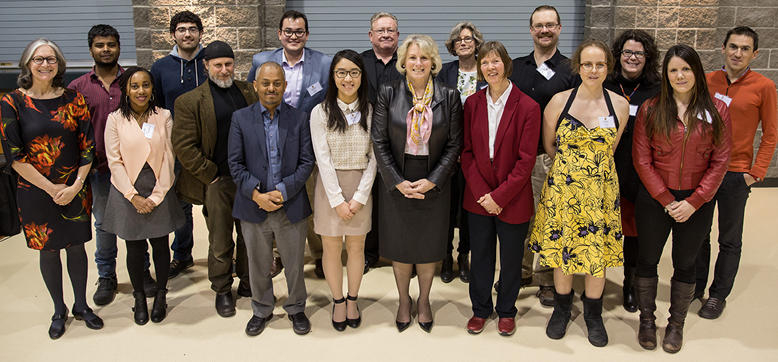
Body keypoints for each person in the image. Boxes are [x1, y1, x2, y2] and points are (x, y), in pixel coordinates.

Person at [529, 39, 629, 347]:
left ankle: (593, 315)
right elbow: (549, 146)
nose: (594, 70)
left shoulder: (619, 105)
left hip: (600, 193)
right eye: (588, 64)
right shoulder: (559, 102)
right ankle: (561, 309)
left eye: (600, 64)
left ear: (608, 68)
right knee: (563, 255)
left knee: (595, 254)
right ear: (579, 66)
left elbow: (611, 148)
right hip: (563, 190)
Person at [0, 38, 103, 339]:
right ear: (27, 64)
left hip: (75, 187)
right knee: (49, 249)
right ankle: (59, 310)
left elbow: (88, 146)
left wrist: (75, 186)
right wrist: (51, 188)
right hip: (34, 190)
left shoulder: (74, 99)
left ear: (59, 64)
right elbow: (14, 156)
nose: (45, 64)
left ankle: (82, 305)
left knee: (76, 246)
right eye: (38, 59)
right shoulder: (12, 103)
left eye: (51, 59)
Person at [633, 44, 731, 353]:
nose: (680, 75)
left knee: (686, 263)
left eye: (686, 69)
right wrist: (664, 198)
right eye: (673, 70)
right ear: (666, 74)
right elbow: (642, 159)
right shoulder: (652, 108)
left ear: (697, 72)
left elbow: (721, 161)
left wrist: (695, 200)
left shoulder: (717, 109)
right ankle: (647, 320)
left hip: (696, 200)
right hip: (655, 197)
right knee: (647, 259)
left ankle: (676, 324)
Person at [372, 34, 463, 333]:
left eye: (424, 58)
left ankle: (423, 300)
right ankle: (402, 300)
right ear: (403, 62)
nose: (418, 63)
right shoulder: (388, 92)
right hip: (397, 176)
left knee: (427, 245)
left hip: (434, 178)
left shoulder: (449, 96)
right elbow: (379, 141)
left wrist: (434, 180)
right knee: (400, 245)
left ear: (433, 62)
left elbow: (454, 145)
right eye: (412, 57)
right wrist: (397, 181)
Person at [69, 24, 156, 306]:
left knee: (138, 219)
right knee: (104, 224)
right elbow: (73, 131)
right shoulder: (78, 88)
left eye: (111, 44)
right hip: (99, 170)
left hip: (135, 168)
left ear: (119, 47)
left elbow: (150, 120)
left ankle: (142, 272)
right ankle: (106, 276)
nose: (106, 50)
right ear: (91, 49)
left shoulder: (133, 81)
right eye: (100, 45)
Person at [695, 26, 778, 319]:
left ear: (754, 54)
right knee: (698, 234)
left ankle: (718, 295)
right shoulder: (706, 81)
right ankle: (696, 287)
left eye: (745, 49)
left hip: (736, 174)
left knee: (729, 238)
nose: (738, 53)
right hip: (704, 171)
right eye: (733, 47)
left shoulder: (763, 86)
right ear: (723, 48)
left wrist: (755, 172)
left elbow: (770, 133)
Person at [228, 62, 315, 337]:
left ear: (285, 86)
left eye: (277, 83)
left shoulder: (299, 119)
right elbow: (235, 163)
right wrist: (256, 194)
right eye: (265, 83)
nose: (271, 88)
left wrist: (283, 190)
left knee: (294, 263)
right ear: (255, 85)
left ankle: (296, 306)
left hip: (289, 203)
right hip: (253, 204)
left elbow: (306, 162)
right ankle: (261, 308)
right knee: (257, 262)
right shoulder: (240, 119)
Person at [172, 41, 256, 318]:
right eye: (217, 65)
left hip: (248, 180)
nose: (224, 70)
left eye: (228, 64)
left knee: (249, 236)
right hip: (218, 182)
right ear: (206, 65)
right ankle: (222, 288)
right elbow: (184, 146)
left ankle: (247, 281)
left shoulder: (247, 92)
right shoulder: (190, 101)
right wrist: (212, 176)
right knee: (220, 240)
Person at [461, 41, 540, 336]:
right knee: (480, 256)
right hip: (478, 197)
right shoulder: (472, 103)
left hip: (513, 197)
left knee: (510, 259)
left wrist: (500, 196)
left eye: (495, 61)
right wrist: (485, 195)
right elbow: (466, 153)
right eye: (484, 62)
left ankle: (507, 310)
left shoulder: (528, 106)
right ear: (479, 68)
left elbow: (526, 160)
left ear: (507, 65)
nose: (490, 67)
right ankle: (480, 310)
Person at [246, 10, 332, 278]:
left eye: (299, 32)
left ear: (306, 34)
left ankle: (319, 254)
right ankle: (276, 254)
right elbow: (252, 93)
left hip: (309, 142)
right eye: (288, 31)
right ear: (280, 34)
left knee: (310, 199)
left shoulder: (324, 63)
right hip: (270, 138)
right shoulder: (262, 60)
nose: (293, 36)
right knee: (273, 196)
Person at [507, 5, 578, 306]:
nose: (544, 30)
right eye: (539, 25)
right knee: (521, 217)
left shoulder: (572, 70)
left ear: (559, 29)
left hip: (552, 156)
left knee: (551, 217)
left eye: (550, 25)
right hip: (518, 157)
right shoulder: (516, 67)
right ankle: (522, 270)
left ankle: (547, 277)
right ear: (531, 30)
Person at [102, 66, 185, 325]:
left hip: (159, 187)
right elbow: (114, 161)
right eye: (135, 86)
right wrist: (132, 195)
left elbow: (170, 157)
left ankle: (161, 295)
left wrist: (157, 195)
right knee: (135, 247)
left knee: (161, 245)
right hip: (127, 191)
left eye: (146, 85)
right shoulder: (115, 119)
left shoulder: (164, 116)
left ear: (152, 89)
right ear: (126, 89)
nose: (141, 91)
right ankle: (139, 297)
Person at [310, 49, 377, 331]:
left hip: (362, 186)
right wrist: (338, 200)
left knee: (357, 246)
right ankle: (337, 299)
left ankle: (352, 298)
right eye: (341, 73)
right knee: (332, 246)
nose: (347, 78)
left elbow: (375, 157)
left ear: (361, 77)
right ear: (333, 77)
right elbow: (321, 159)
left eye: (353, 73)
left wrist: (360, 197)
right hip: (329, 188)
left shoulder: (372, 110)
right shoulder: (320, 111)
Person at [603, 29, 661, 313]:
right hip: (607, 170)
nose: (632, 58)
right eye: (627, 52)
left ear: (647, 57)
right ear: (618, 56)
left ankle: (630, 284)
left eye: (639, 53)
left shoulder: (658, 89)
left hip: (641, 174)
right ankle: (595, 284)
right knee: (602, 229)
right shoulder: (606, 84)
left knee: (635, 235)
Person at [150, 10, 207, 279]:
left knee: (214, 202)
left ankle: (222, 253)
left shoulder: (211, 62)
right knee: (180, 203)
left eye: (192, 29)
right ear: (173, 34)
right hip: (174, 148)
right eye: (182, 29)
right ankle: (182, 255)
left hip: (208, 146)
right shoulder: (160, 67)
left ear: (200, 33)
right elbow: (155, 109)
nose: (187, 34)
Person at [436, 21, 487, 284]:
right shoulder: (444, 73)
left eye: (468, 38)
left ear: (477, 43)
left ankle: (463, 255)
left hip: (477, 153)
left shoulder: (487, 71)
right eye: (458, 40)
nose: (464, 42)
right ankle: (445, 256)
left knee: (469, 208)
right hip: (447, 151)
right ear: (453, 46)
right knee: (446, 207)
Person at [361, 12, 403, 273]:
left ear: (398, 35)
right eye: (380, 30)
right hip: (365, 143)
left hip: (401, 143)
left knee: (398, 198)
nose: (386, 34)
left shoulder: (409, 61)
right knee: (369, 199)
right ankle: (369, 253)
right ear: (371, 35)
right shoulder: (360, 62)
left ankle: (399, 250)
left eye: (391, 30)